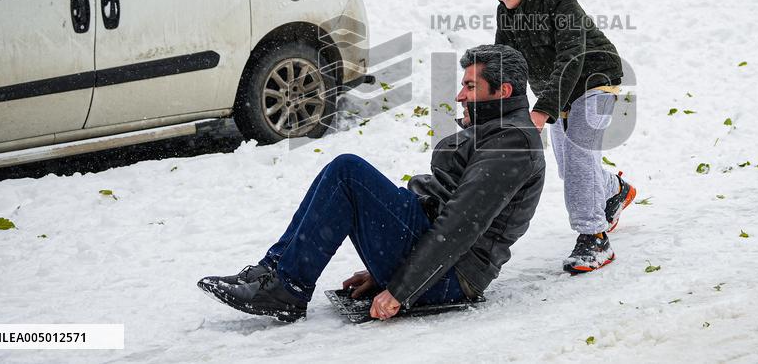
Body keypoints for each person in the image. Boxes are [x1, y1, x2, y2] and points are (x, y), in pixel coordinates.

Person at [198, 44, 545, 322]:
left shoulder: (512, 142)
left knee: (348, 173)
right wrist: (385, 271)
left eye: (470, 87)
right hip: (430, 249)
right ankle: (271, 273)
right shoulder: (498, 131)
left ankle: (286, 287)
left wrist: (401, 289)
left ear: (503, 91)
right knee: (342, 173)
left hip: (451, 277)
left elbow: (460, 226)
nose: (459, 96)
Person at [483, 0, 636, 274]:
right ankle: (615, 189)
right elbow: (506, 62)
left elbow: (572, 57)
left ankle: (594, 238)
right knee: (571, 170)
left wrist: (541, 110)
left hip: (595, 79)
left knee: (581, 154)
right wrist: (487, 102)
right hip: (559, 92)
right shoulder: (505, 14)